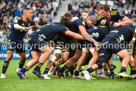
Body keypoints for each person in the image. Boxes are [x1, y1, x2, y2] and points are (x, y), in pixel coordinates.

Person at [16, 12, 94, 79]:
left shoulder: (56, 24)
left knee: (36, 59)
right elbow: (73, 34)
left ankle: (22, 71)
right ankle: (37, 69)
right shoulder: (62, 28)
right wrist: (86, 37)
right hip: (36, 38)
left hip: (33, 37)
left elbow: (45, 28)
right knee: (48, 50)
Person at [0, 8, 37, 78]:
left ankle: (19, 69)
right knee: (9, 56)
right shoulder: (18, 19)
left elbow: (37, 27)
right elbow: (15, 26)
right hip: (12, 39)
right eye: (31, 13)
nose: (32, 14)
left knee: (23, 58)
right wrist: (25, 28)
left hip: (20, 40)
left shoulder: (30, 22)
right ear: (25, 14)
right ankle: (3, 74)